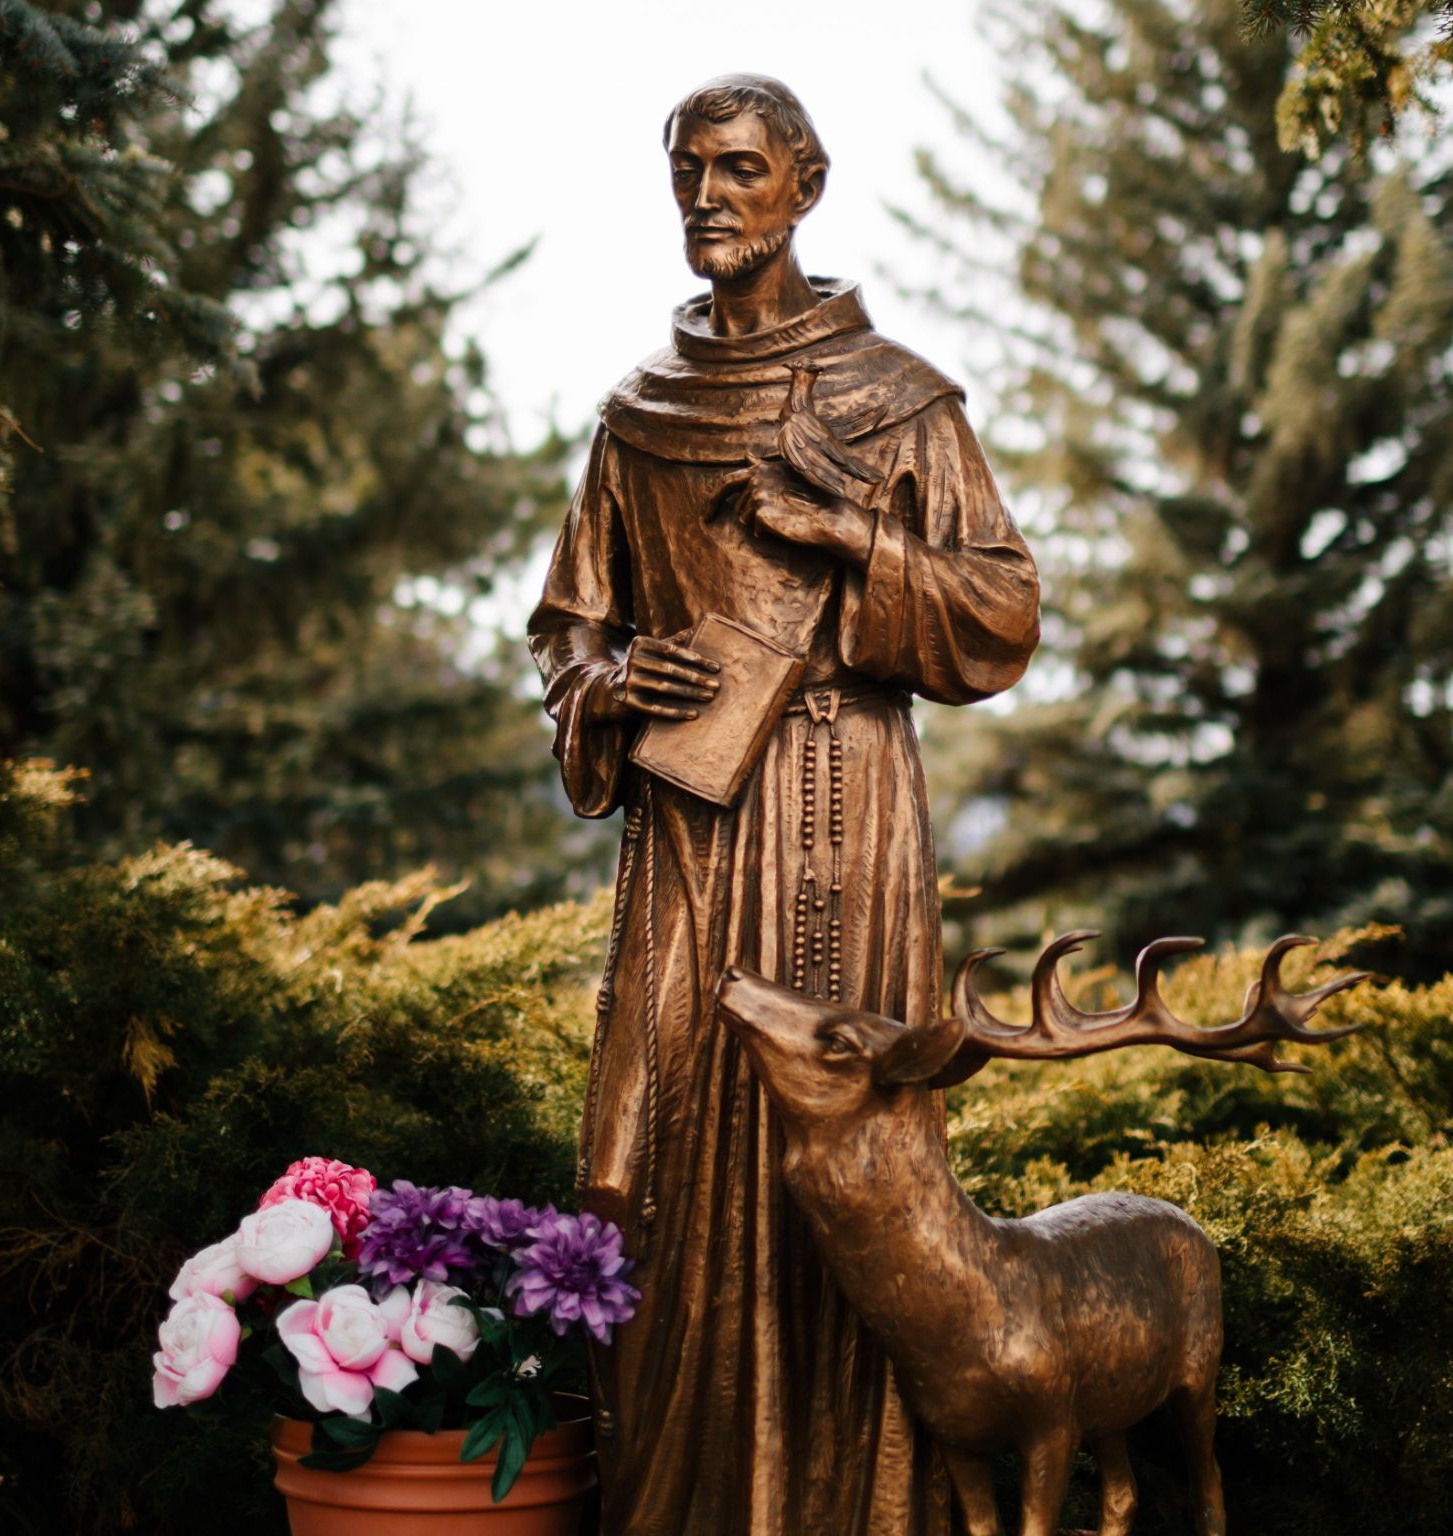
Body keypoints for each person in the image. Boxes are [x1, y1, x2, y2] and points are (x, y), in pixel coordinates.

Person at [527, 73, 1039, 1536]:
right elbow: (567, 624)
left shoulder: (897, 401)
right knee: (642, 1161)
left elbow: (1003, 610)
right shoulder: (638, 417)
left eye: (740, 169)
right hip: (690, 827)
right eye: (689, 171)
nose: (709, 198)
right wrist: (608, 681)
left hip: (843, 808)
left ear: (805, 186)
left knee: (847, 1159)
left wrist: (855, 532)